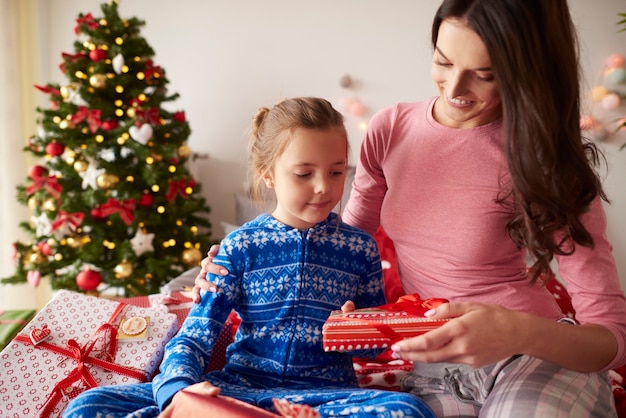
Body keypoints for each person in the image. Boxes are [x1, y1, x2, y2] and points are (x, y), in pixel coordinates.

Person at [195, 1, 626, 416]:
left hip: (531, 357)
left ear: (523, 72)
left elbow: (612, 335)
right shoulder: (391, 129)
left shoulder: (546, 158)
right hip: (434, 374)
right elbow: (336, 239)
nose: (455, 89)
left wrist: (513, 331)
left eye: (484, 74)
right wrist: (230, 268)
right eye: (442, 61)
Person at [62, 97, 435, 418]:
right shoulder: (240, 246)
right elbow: (196, 334)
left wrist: (360, 328)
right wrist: (178, 390)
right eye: (304, 173)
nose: (325, 187)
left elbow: (377, 345)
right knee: (90, 405)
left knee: (408, 411)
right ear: (267, 175)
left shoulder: (359, 247)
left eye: (337, 172)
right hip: (240, 389)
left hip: (327, 396)